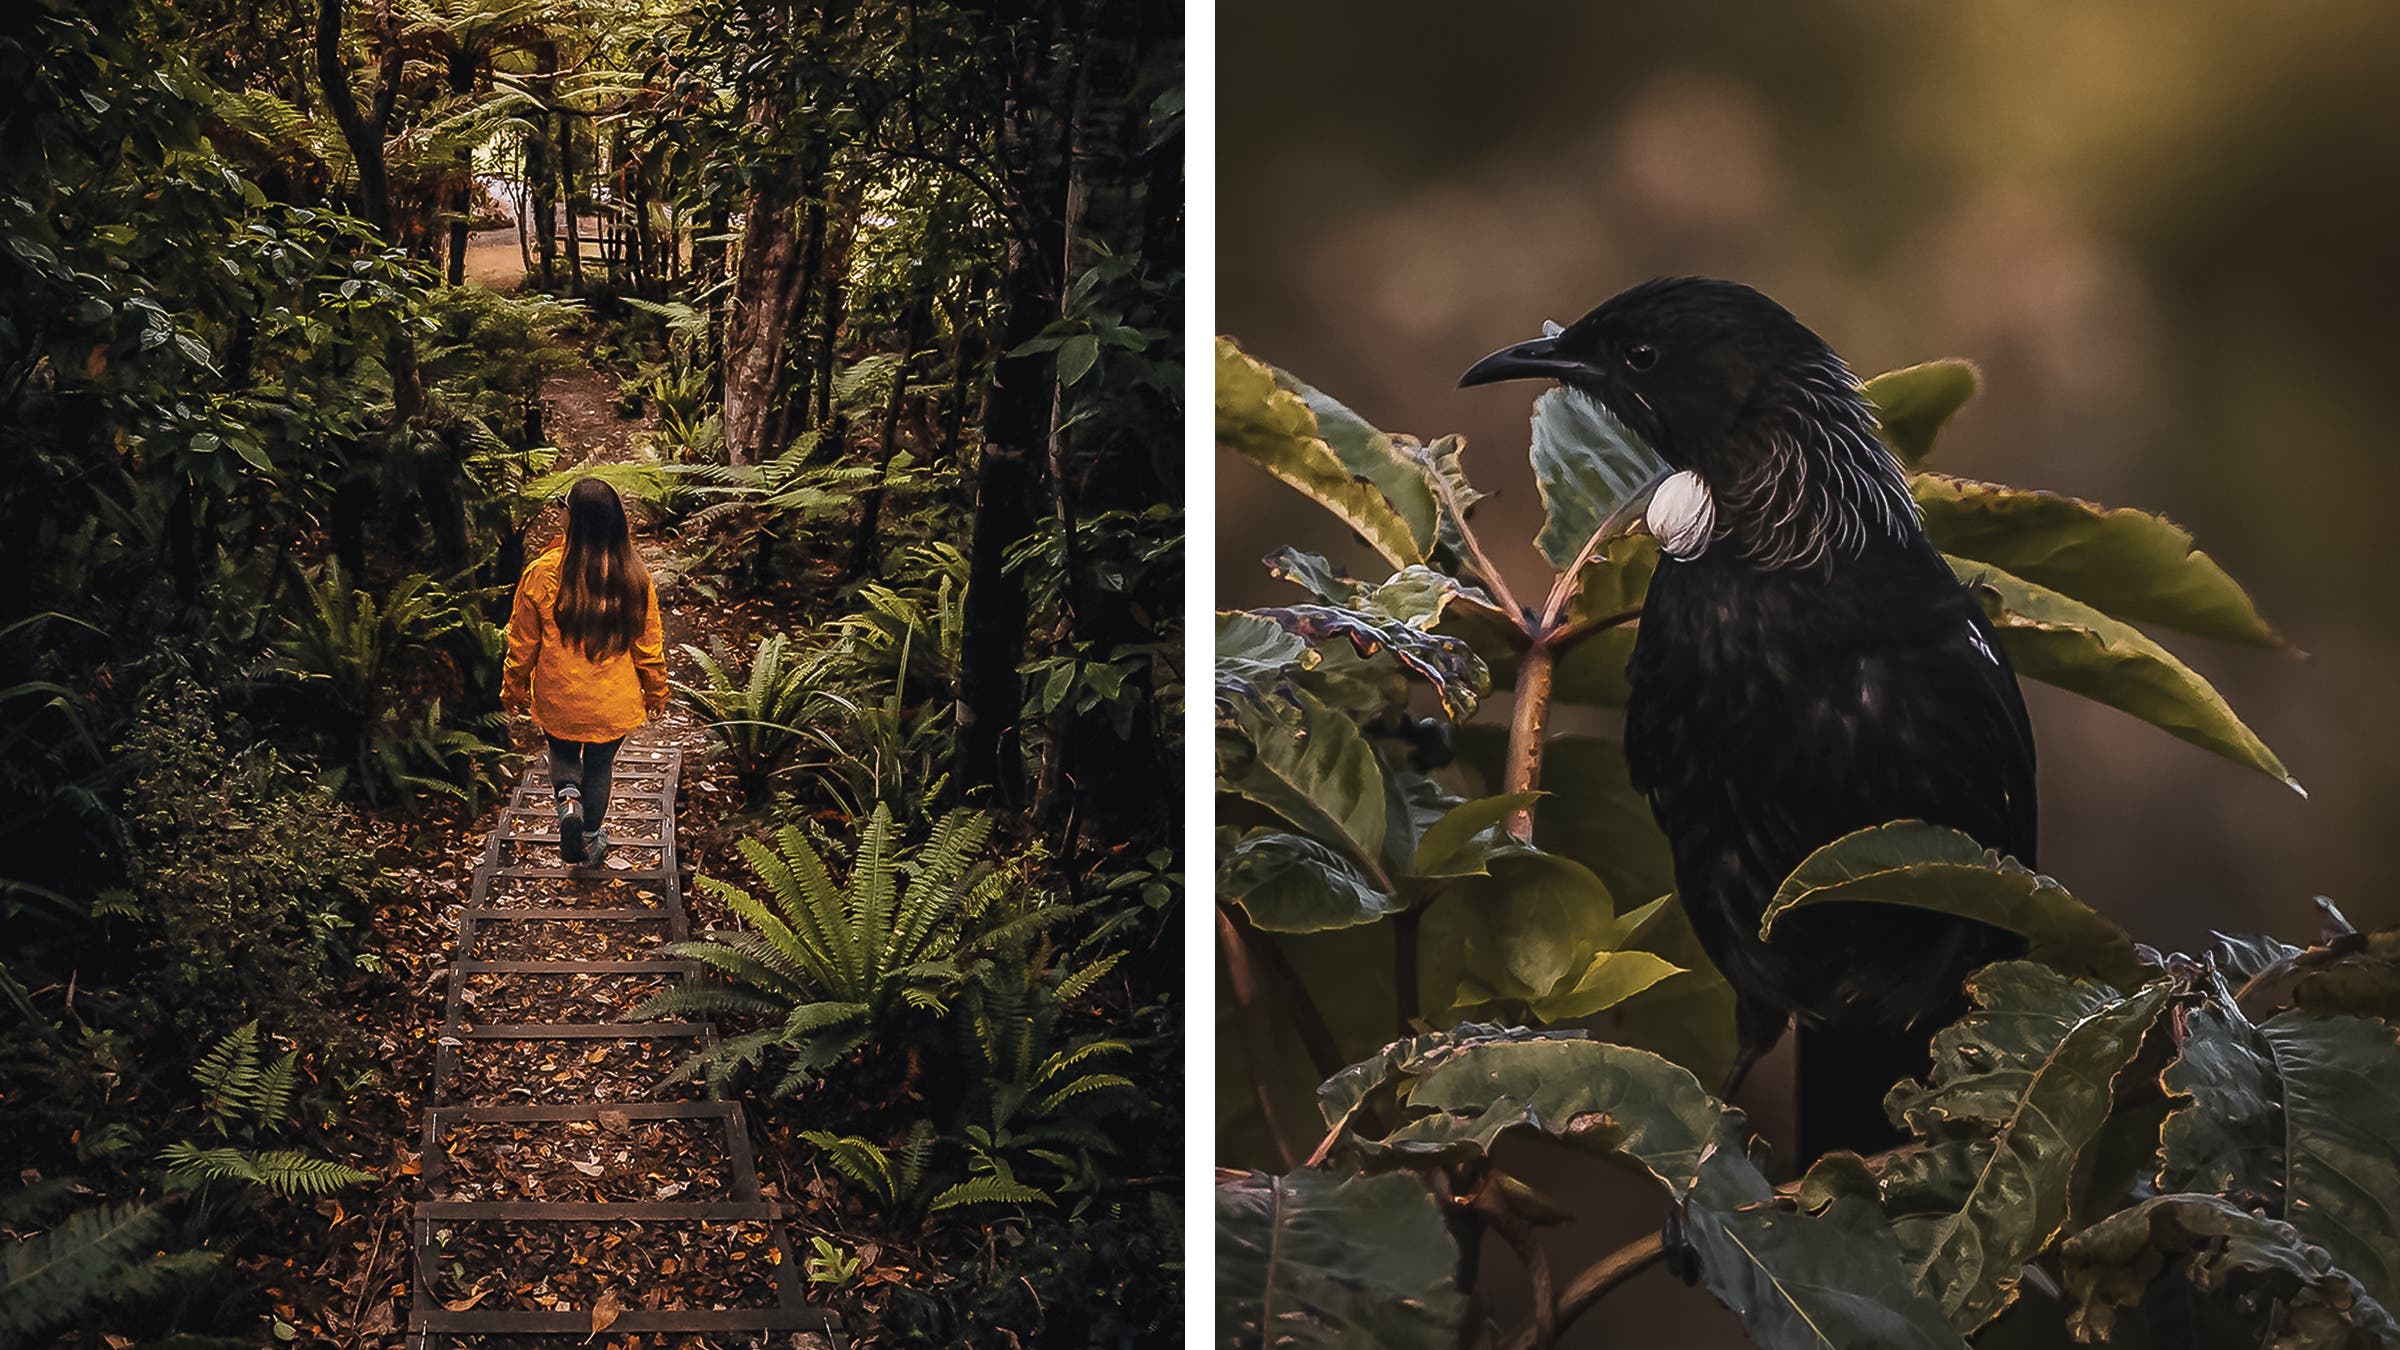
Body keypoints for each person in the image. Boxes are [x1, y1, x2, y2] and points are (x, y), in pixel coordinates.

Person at [501, 477, 667, 867]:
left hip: (560, 696)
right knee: (599, 765)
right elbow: (649, 647)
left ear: (572, 518)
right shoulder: (634, 576)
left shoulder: (542, 573)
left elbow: (521, 641)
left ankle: (567, 801)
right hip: (612, 702)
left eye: (563, 504)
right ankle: (590, 836)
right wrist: (656, 692)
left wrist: (513, 688)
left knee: (561, 750)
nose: (559, 509)